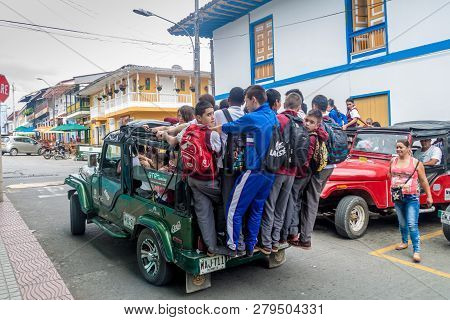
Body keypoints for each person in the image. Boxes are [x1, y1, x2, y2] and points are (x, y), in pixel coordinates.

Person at [212, 85, 278, 257]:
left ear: (253, 99)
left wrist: (217, 129)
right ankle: (250, 246)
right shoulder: (272, 115)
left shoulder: (253, 117)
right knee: (257, 209)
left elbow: (230, 127)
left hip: (254, 171)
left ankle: (233, 247)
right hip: (270, 171)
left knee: (233, 209)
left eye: (247, 101)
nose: (245, 105)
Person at [162, 100, 225, 256]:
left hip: (192, 178)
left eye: (212, 114)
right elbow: (220, 153)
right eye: (208, 115)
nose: (212, 118)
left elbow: (175, 142)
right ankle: (224, 237)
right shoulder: (212, 135)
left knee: (204, 213)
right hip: (208, 181)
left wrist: (165, 133)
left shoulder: (188, 130)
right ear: (198, 117)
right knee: (227, 202)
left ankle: (211, 247)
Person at [259, 92, 301, 255]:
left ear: (284, 104)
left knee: (270, 205)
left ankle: (267, 243)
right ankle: (276, 241)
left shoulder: (279, 119)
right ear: (298, 107)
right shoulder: (300, 123)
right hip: (292, 170)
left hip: (276, 169)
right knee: (281, 208)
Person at [283, 108, 328, 248]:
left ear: (317, 125)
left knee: (294, 200)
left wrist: (298, 173)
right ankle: (297, 233)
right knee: (298, 200)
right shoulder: (318, 134)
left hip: (303, 173)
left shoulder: (311, 137)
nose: (307, 123)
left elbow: (305, 158)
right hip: (310, 173)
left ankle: (293, 232)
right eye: (306, 120)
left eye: (311, 122)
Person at [389, 139, 433, 263]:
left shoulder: (416, 163)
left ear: (409, 148)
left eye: (401, 147)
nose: (398, 149)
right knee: (402, 223)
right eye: (397, 147)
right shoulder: (393, 160)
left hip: (412, 197)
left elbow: (424, 181)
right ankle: (404, 242)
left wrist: (429, 196)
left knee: (412, 224)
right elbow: (389, 175)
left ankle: (416, 250)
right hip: (398, 197)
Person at [214, 87, 246, 233]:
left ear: (228, 100)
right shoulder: (247, 115)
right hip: (244, 163)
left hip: (225, 164)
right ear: (244, 101)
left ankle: (228, 232)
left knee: (226, 198)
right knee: (240, 198)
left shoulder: (220, 113)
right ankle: (240, 229)